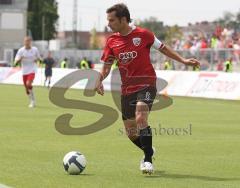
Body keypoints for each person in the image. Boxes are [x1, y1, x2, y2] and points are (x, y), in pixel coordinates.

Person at [94, 3, 200, 175]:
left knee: (141, 117)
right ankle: (148, 150)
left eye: (111, 20)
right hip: (127, 88)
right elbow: (106, 66)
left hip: (146, 83)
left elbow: (163, 48)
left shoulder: (144, 34)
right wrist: (99, 80)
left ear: (123, 19)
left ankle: (148, 162)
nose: (108, 23)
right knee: (131, 132)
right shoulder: (112, 41)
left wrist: (184, 61)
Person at [14, 36, 41, 108]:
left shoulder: (35, 49)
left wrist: (37, 61)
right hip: (24, 71)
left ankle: (33, 101)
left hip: (32, 70)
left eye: (28, 41)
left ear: (30, 42)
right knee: (26, 89)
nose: (27, 43)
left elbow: (39, 59)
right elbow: (15, 63)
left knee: (28, 84)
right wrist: (20, 59)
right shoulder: (21, 51)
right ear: (24, 42)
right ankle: (31, 100)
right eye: (25, 41)